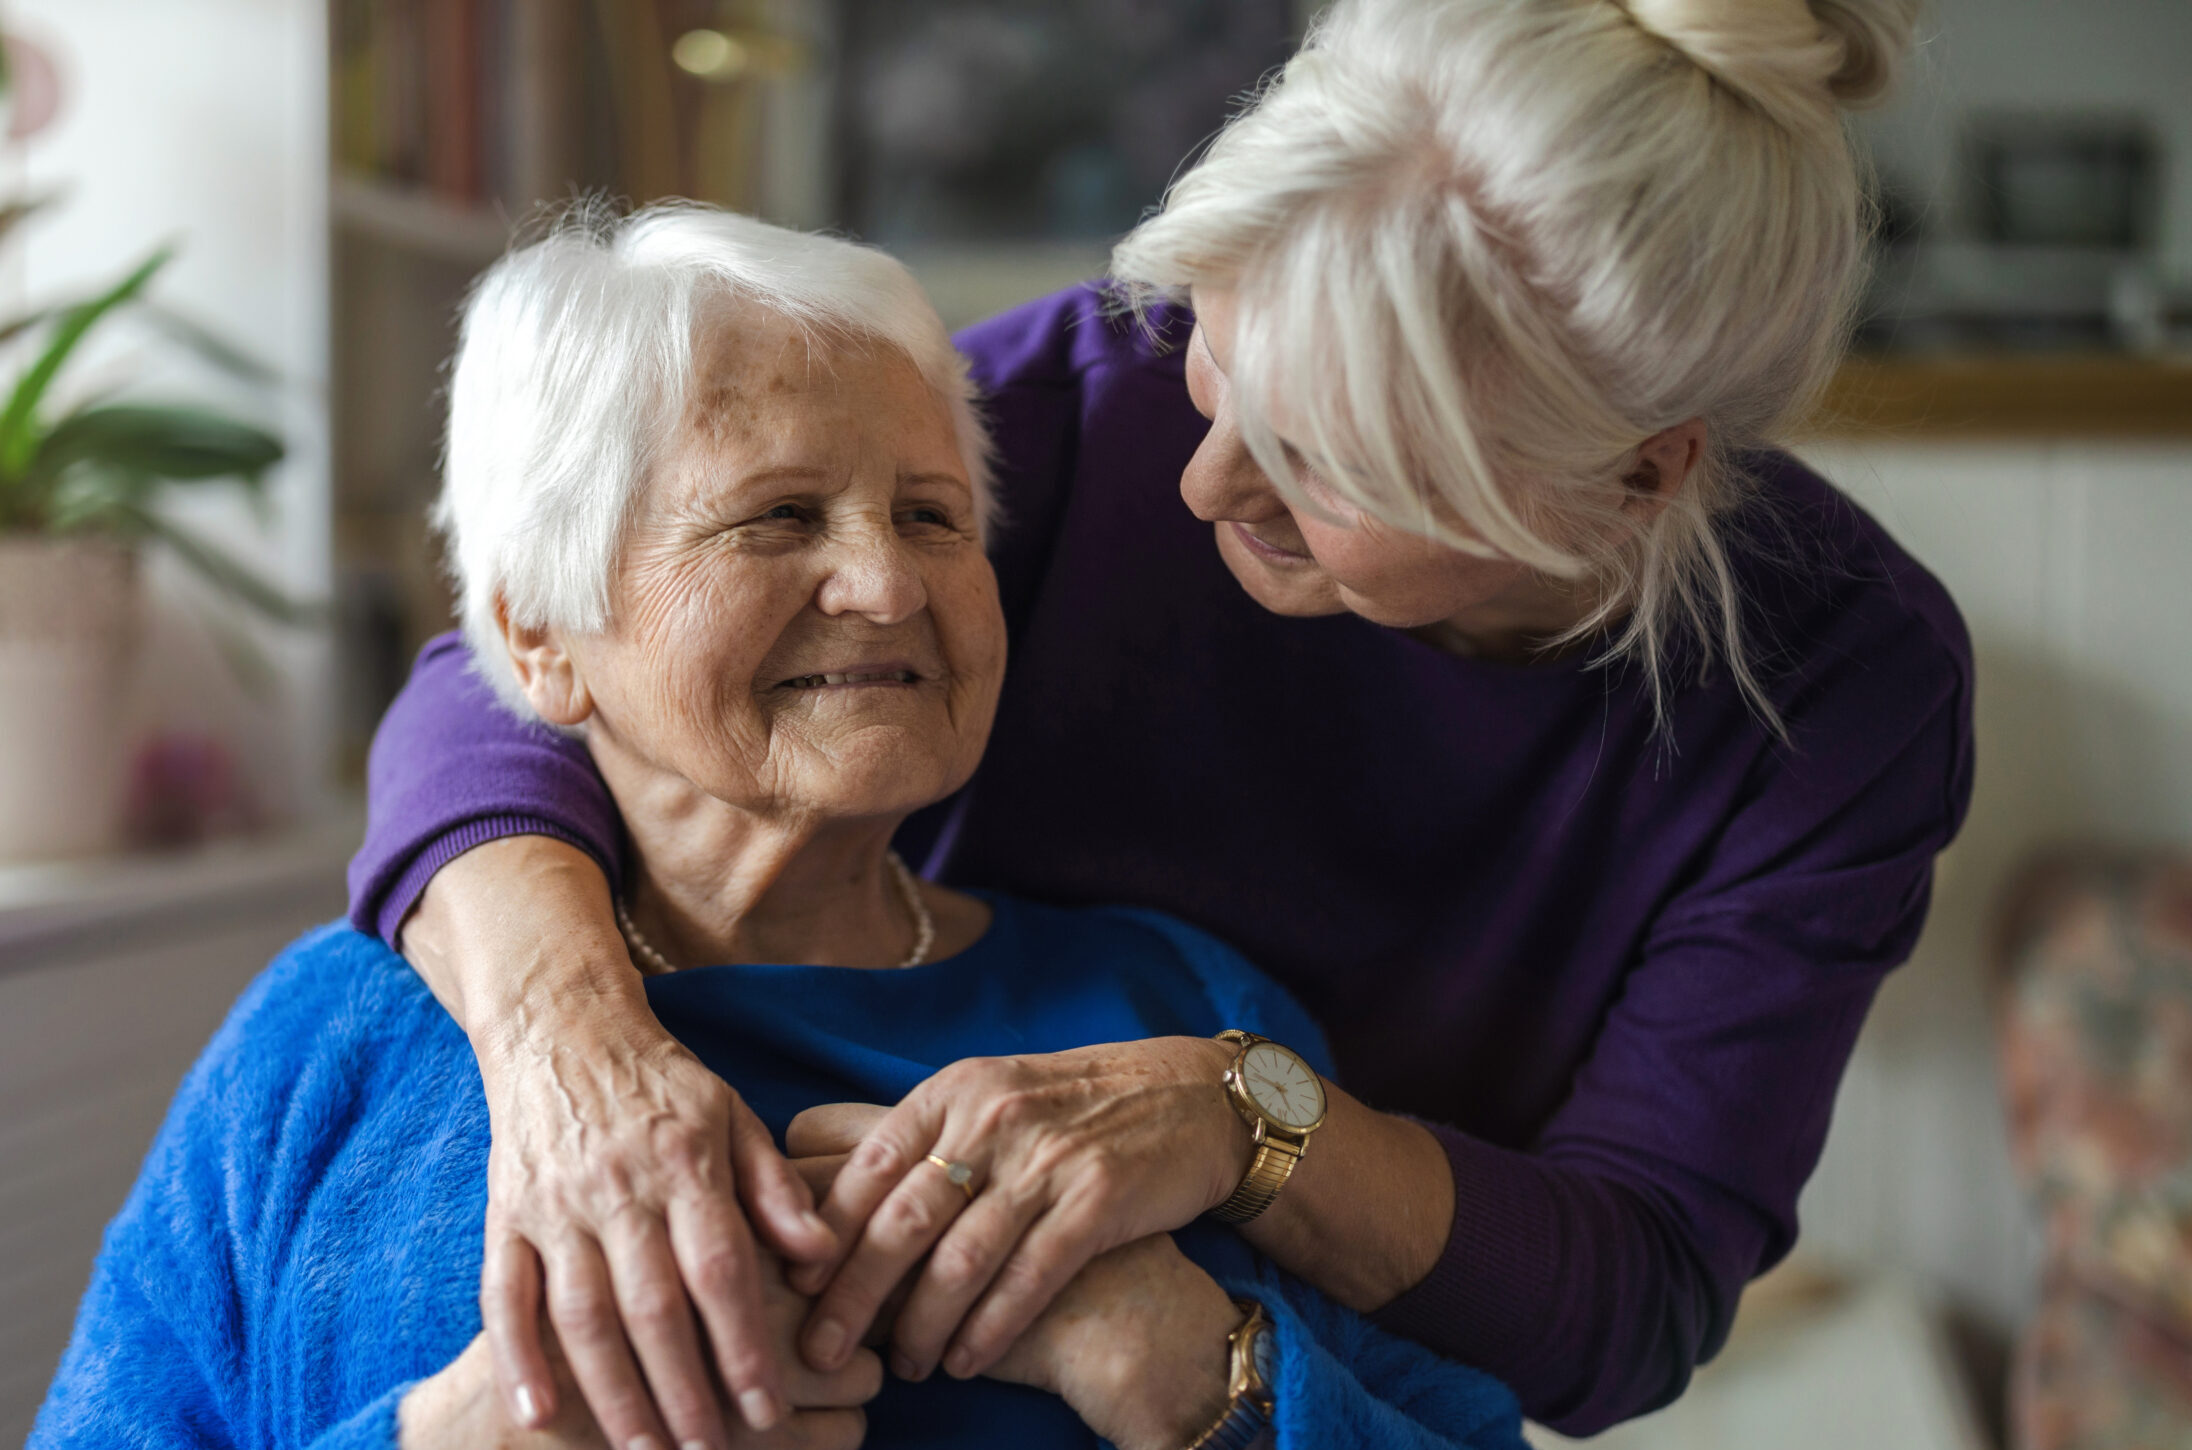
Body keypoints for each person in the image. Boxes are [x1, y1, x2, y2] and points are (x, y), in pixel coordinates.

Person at [351, 0, 1974, 1442]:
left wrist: (1240, 1127)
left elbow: (1633, 1297)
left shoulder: (1844, 682)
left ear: (1640, 474)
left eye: (1331, 462)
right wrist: (576, 1052)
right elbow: (523, 667)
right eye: (1219, 357)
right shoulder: (1092, 398)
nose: (1204, 484)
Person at [28, 207, 1528, 1450]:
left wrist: (1194, 1366)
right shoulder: (335, 1038)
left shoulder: (1185, 1016)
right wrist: (470, 1435)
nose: (887, 582)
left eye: (934, 516)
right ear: (539, 632)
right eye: (777, 517)